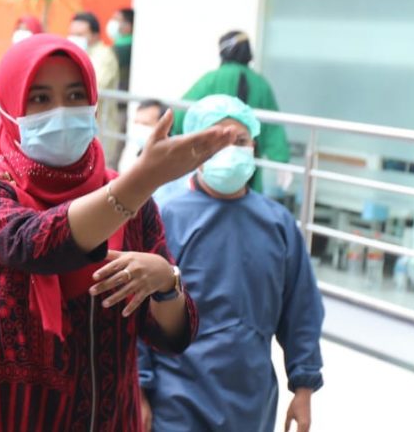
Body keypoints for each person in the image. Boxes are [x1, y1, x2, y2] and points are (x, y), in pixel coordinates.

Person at [0, 34, 239, 430]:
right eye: (40, 99)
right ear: (10, 110)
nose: (61, 110)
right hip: (2, 417)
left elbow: (172, 337)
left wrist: (165, 281)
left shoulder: (134, 203)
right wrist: (142, 180)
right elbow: (38, 244)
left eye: (75, 95)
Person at [138, 95, 324, 432]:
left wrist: (303, 387)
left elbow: (302, 312)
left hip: (249, 401)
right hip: (177, 401)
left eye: (239, 141)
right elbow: (138, 310)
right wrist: (139, 390)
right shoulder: (164, 216)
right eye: (216, 140)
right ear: (194, 148)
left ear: (254, 145)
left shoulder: (278, 225)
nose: (230, 149)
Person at [173, 30, 292, 193]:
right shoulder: (260, 84)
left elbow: (180, 115)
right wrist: (281, 161)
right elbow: (273, 129)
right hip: (249, 165)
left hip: (213, 159)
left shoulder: (211, 80)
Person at [68, 11, 122, 163]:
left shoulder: (104, 56)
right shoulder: (74, 53)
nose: (74, 38)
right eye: (72, 33)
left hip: (101, 130)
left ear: (95, 35)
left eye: (80, 34)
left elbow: (91, 87)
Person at [117, 99, 167, 176]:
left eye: (145, 124)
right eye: (136, 122)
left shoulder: (167, 162)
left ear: (164, 127)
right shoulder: (134, 155)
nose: (139, 128)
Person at [107, 8, 134, 92]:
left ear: (129, 25)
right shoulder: (119, 43)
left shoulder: (127, 47)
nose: (112, 22)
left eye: (116, 19)